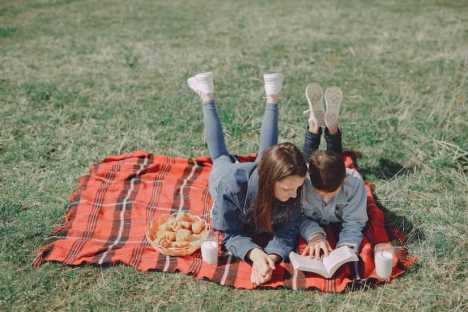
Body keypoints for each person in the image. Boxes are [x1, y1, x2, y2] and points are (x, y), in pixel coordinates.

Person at [187, 72, 307, 285]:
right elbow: (229, 234)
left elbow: (289, 229)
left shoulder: (293, 183)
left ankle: (272, 98)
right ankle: (207, 96)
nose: (295, 195)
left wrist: (269, 258)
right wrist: (254, 253)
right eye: (288, 189)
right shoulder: (230, 186)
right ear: (270, 181)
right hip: (226, 174)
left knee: (267, 153)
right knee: (221, 157)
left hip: (262, 170)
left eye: (297, 188)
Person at [300, 83, 369, 259]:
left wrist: (345, 248)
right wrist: (314, 235)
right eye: (320, 193)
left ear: (343, 180)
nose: (326, 199)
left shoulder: (353, 184)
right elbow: (296, 216)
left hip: (336, 171)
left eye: (332, 193)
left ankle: (317, 125)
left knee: (332, 160)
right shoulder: (300, 181)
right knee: (307, 160)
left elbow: (354, 222)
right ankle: (321, 125)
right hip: (309, 170)